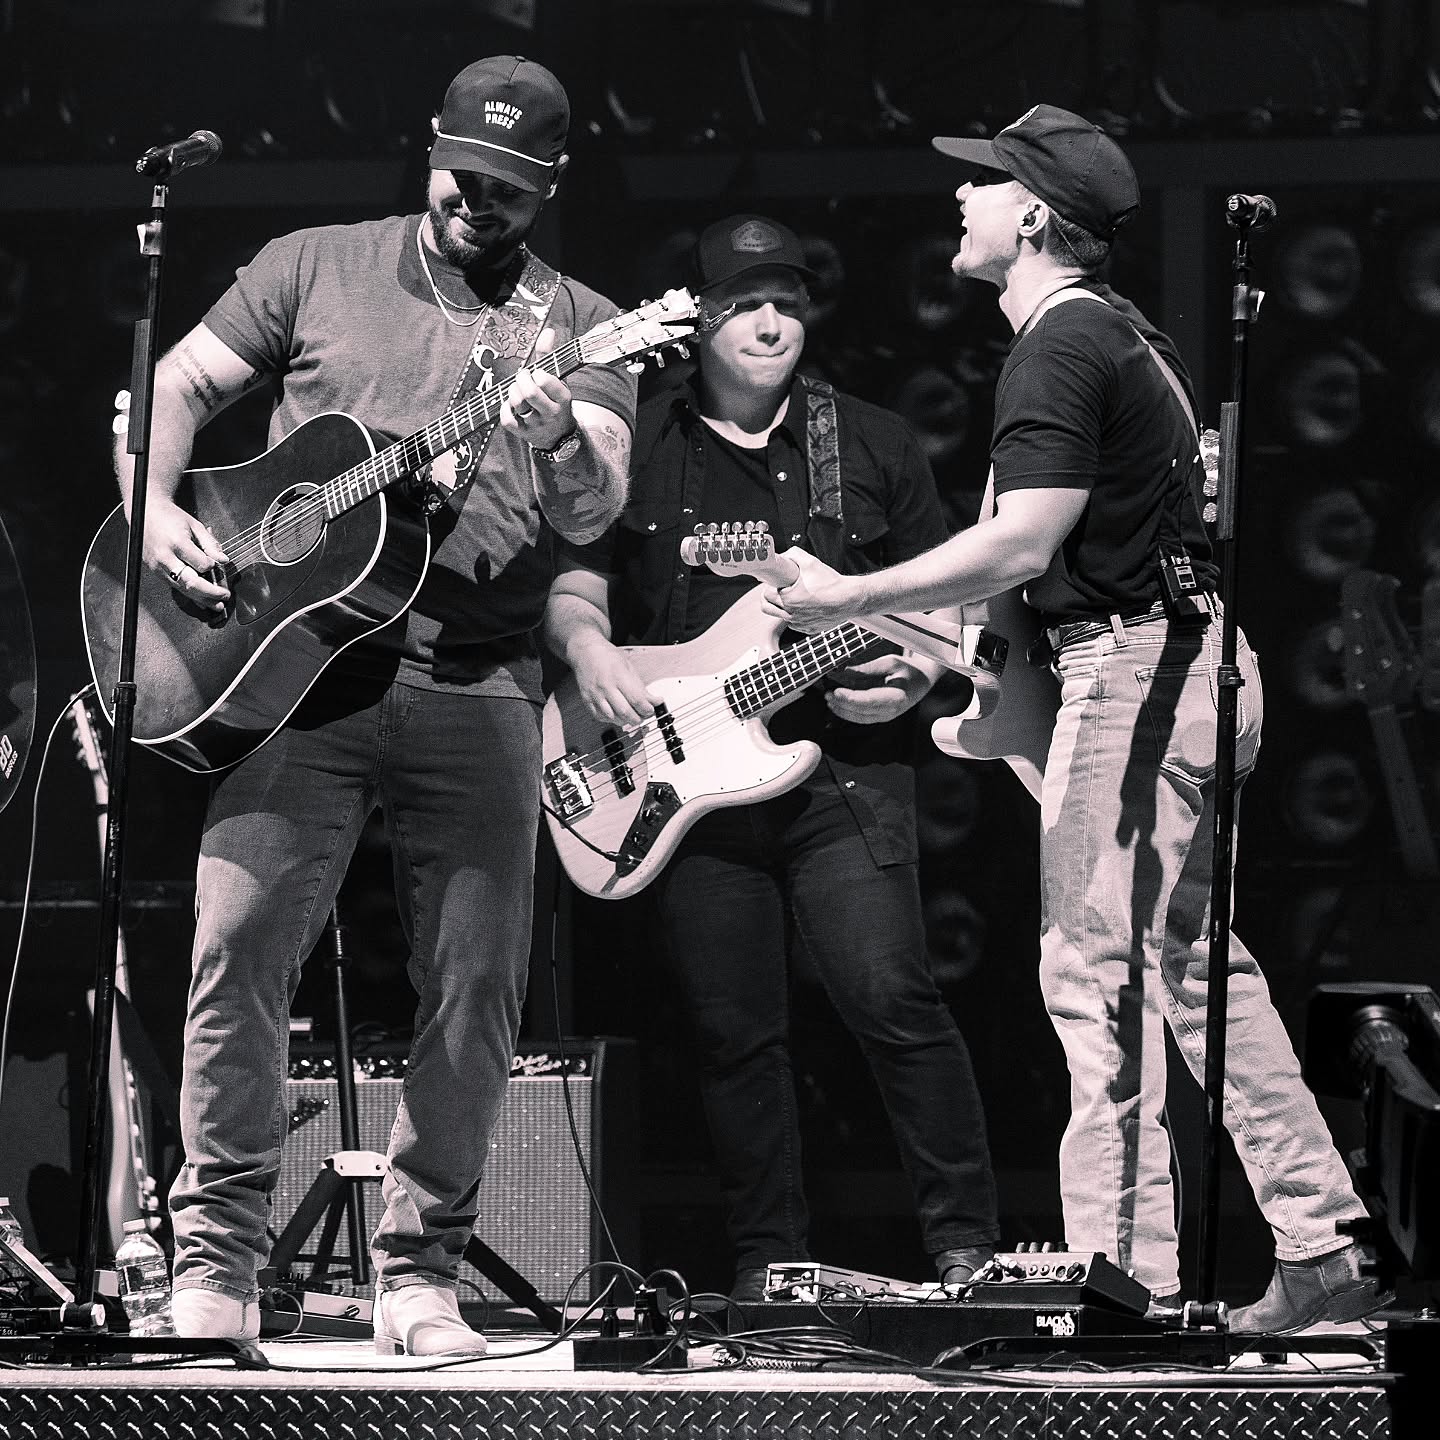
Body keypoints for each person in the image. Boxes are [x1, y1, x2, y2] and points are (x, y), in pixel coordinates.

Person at [763, 107, 1388, 1334]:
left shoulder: (1057, 346)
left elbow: (1029, 539)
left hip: (1141, 676)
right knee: (1189, 968)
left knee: (1093, 977)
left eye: (984, 182)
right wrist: (941, 668)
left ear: (1036, 214)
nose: (962, 199)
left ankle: (1126, 1280)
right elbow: (1066, 573)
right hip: (1188, 665)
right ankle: (1319, 1236)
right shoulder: (1126, 340)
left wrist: (849, 592)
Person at [113, 56, 636, 1352]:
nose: (481, 206)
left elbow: (598, 506)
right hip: (289, 679)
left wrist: (561, 426)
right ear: (431, 149)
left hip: (476, 681)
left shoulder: (586, 322)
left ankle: (416, 1278)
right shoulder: (315, 263)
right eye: (467, 177)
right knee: (234, 957)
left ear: (548, 188)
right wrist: (156, 507)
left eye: (512, 192)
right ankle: (215, 1269)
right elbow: (175, 386)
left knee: (475, 990)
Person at [543, 214, 1000, 1301]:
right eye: (747, 301)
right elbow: (571, 584)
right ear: (699, 320)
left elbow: (946, 615)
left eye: (789, 302)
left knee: (891, 994)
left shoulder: (874, 444)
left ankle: (970, 1253)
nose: (771, 322)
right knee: (732, 1030)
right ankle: (768, 1265)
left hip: (839, 771)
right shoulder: (637, 441)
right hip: (677, 780)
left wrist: (919, 677)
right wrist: (589, 643)